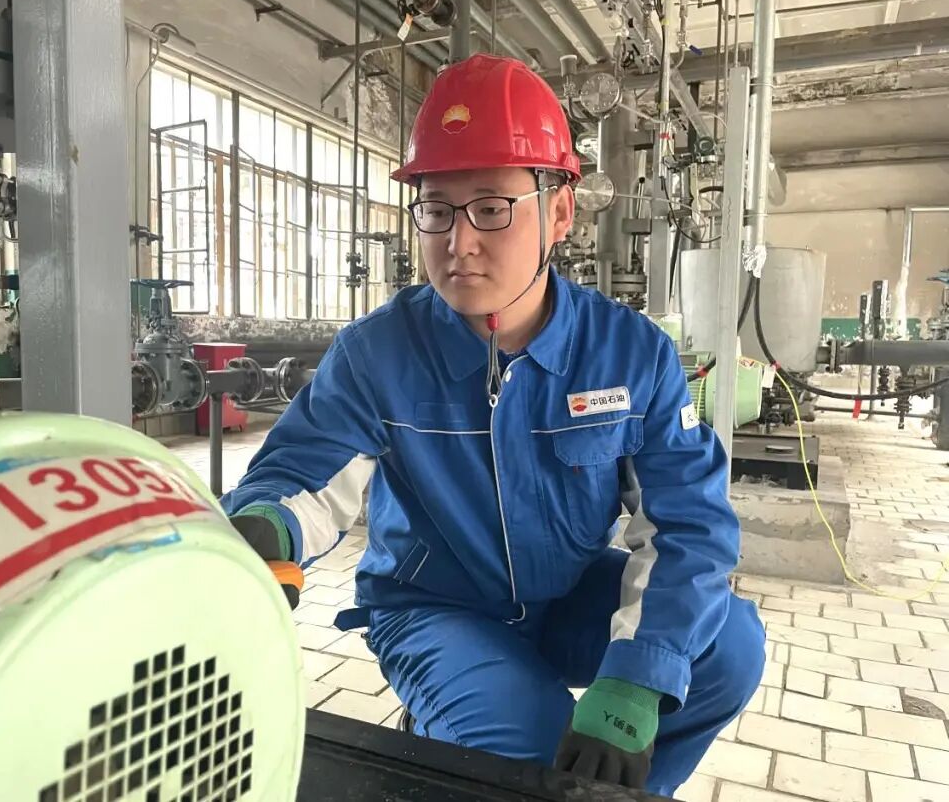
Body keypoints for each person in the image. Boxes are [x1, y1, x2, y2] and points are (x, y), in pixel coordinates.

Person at [224, 53, 765, 796]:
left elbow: (688, 523)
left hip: (565, 596)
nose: (459, 241)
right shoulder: (379, 352)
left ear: (561, 212)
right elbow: (303, 476)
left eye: (490, 208)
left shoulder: (629, 354)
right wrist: (267, 528)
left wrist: (636, 681)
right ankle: (475, 721)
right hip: (434, 608)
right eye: (436, 210)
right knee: (526, 755)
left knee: (728, 645)